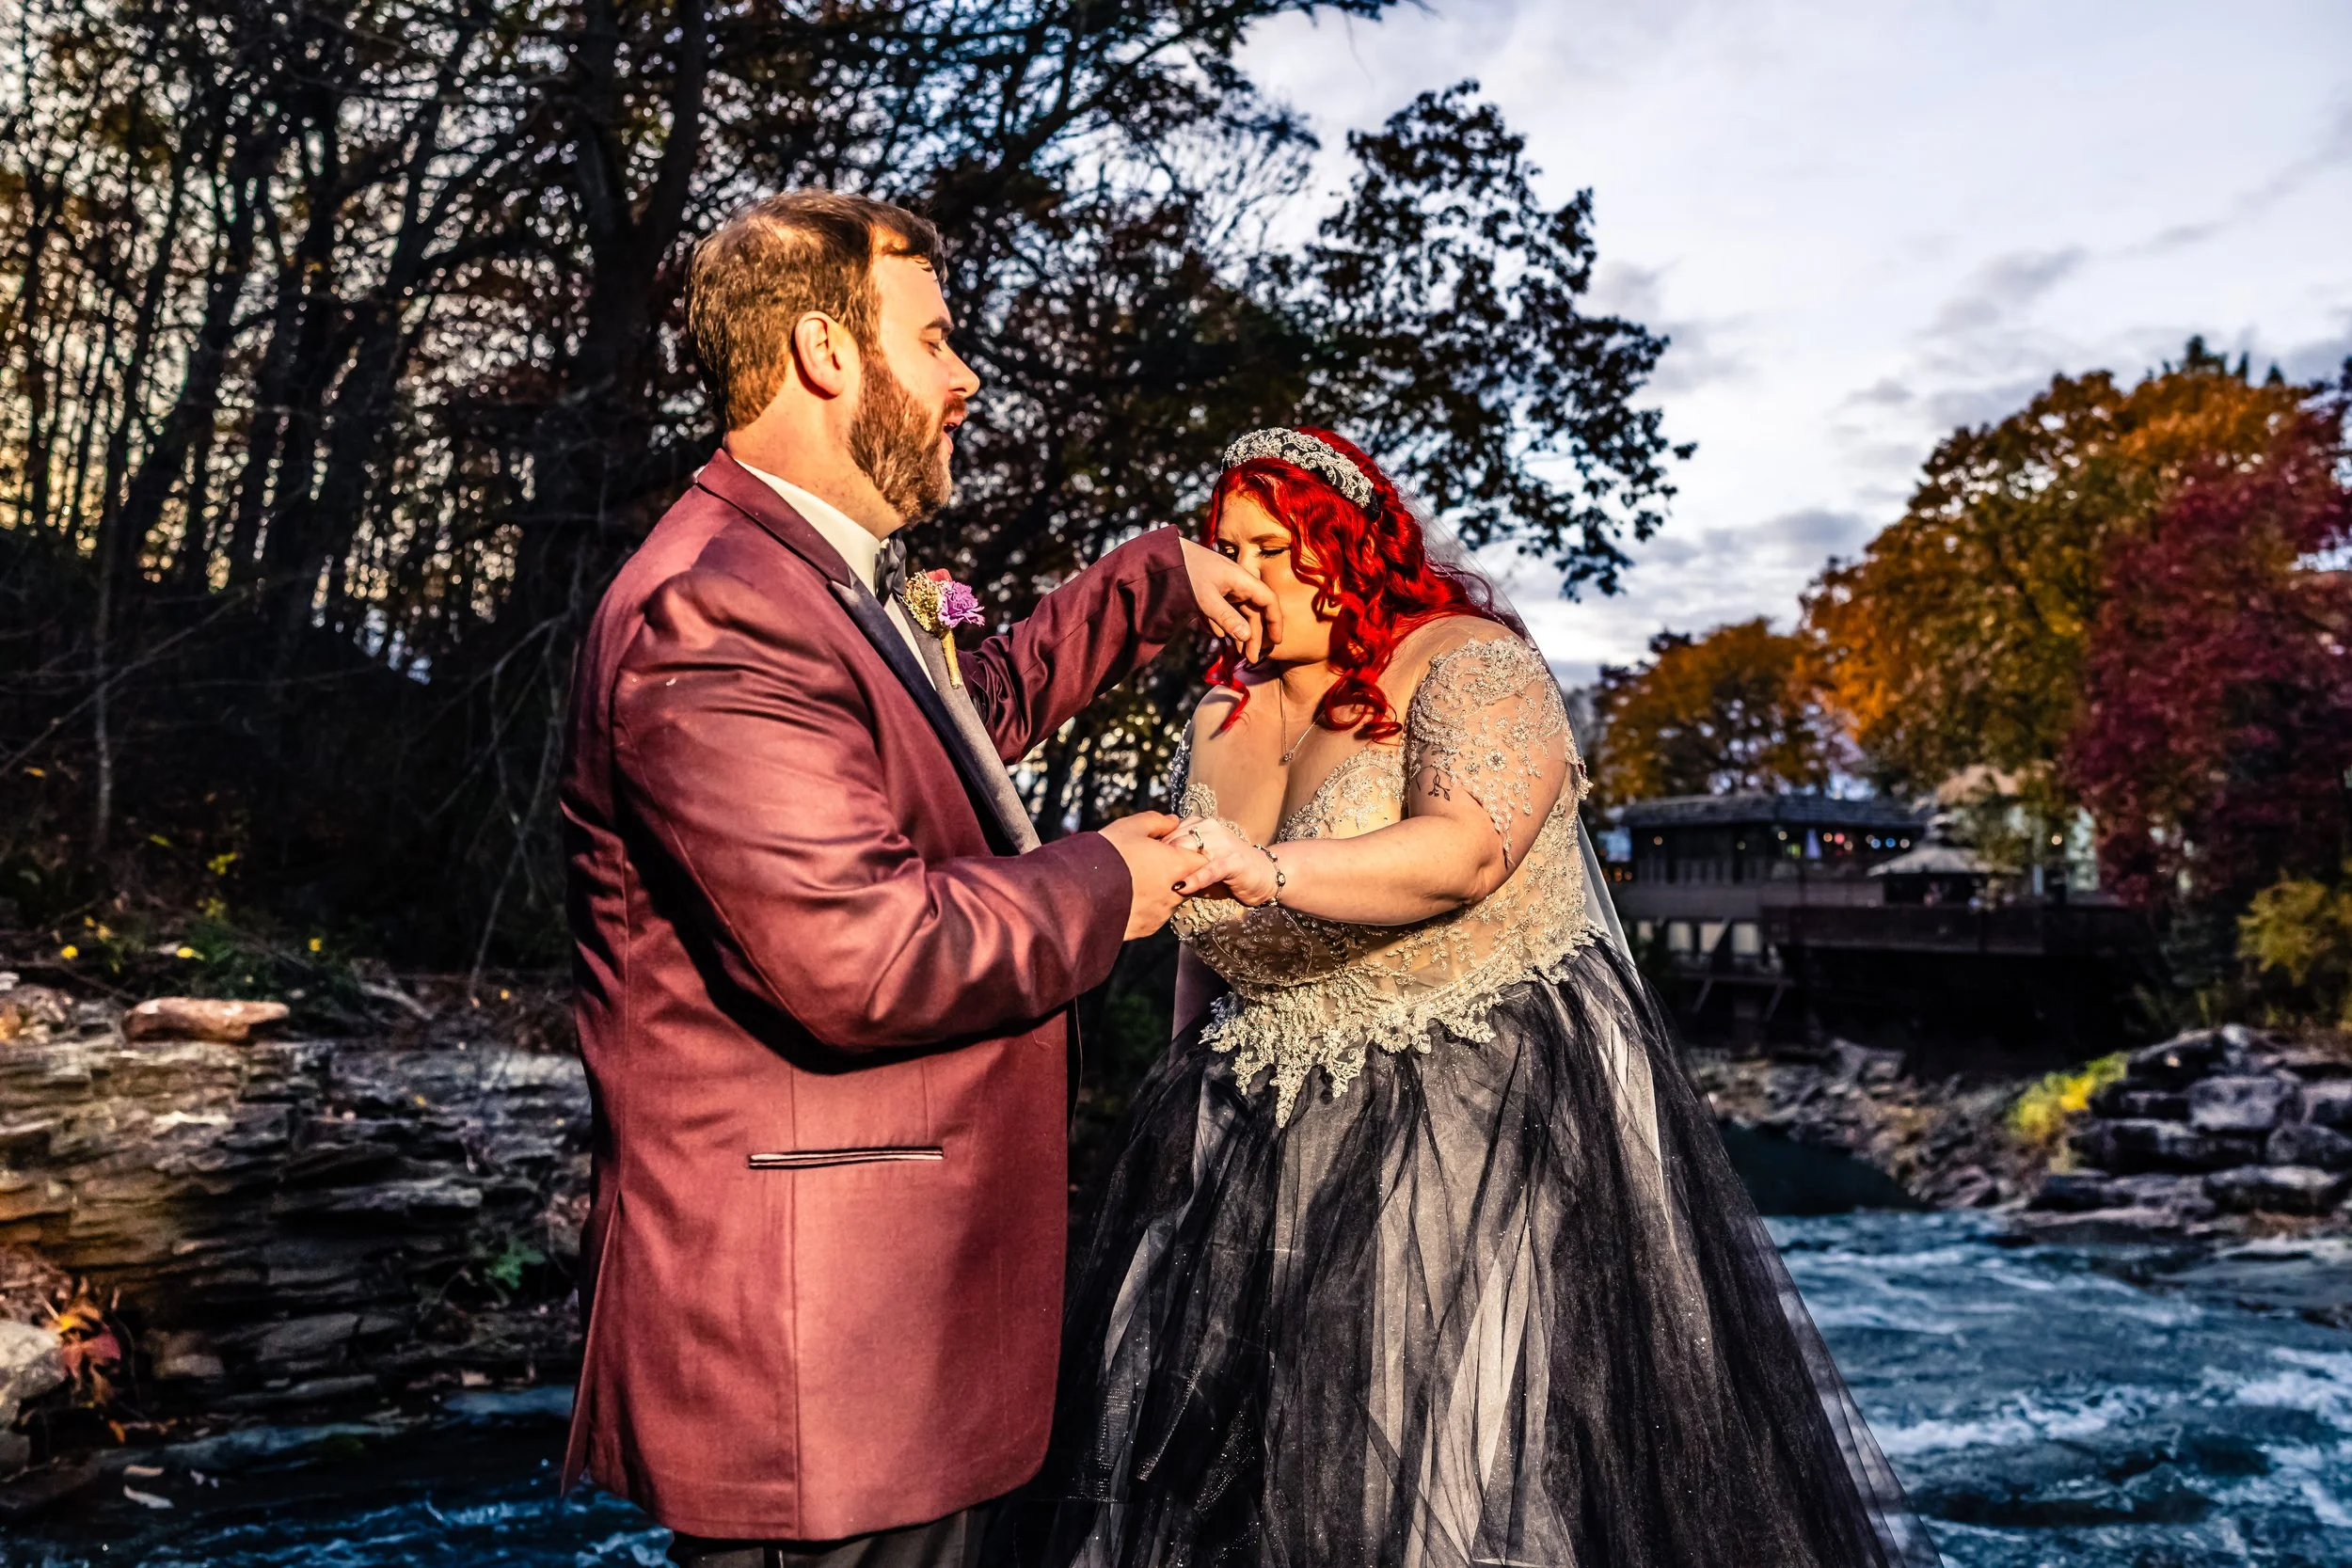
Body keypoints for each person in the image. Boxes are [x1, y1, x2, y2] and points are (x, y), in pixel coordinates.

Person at [1000, 427, 1943, 1568]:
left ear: (1346, 544)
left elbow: (1463, 852)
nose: (1241, 575)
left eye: (1271, 544)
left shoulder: (1467, 662)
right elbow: (1211, 939)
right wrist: (1178, 1095)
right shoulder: (1217, 717)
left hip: (1463, 1124)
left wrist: (1270, 867)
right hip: (1251, 1138)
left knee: (1443, 1466)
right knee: (1226, 1476)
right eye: (1222, 548)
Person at [558, 190, 1283, 1568]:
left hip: (897, 1337)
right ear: (830, 353)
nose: (964, 379)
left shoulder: (809, 581)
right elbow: (859, 950)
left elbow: (961, 723)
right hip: (818, 1368)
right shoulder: (711, 608)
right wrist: (1110, 878)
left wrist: (1153, 582)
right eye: (937, 338)